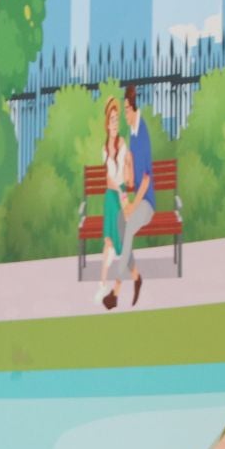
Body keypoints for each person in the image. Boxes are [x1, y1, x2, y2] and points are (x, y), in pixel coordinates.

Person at [114, 84, 155, 309]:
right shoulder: (132, 133)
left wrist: (133, 206)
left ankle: (117, 286)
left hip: (147, 203)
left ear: (132, 109)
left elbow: (147, 180)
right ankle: (136, 276)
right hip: (137, 198)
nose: (124, 116)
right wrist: (128, 167)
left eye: (126, 111)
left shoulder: (143, 133)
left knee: (128, 226)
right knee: (121, 223)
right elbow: (134, 180)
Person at [95, 96, 130, 311]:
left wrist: (122, 192)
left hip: (121, 195)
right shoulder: (104, 148)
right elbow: (109, 179)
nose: (115, 123)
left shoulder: (122, 144)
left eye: (118, 119)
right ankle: (102, 284)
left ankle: (116, 289)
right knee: (108, 242)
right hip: (111, 196)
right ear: (107, 124)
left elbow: (124, 175)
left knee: (122, 244)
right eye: (112, 120)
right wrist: (117, 190)